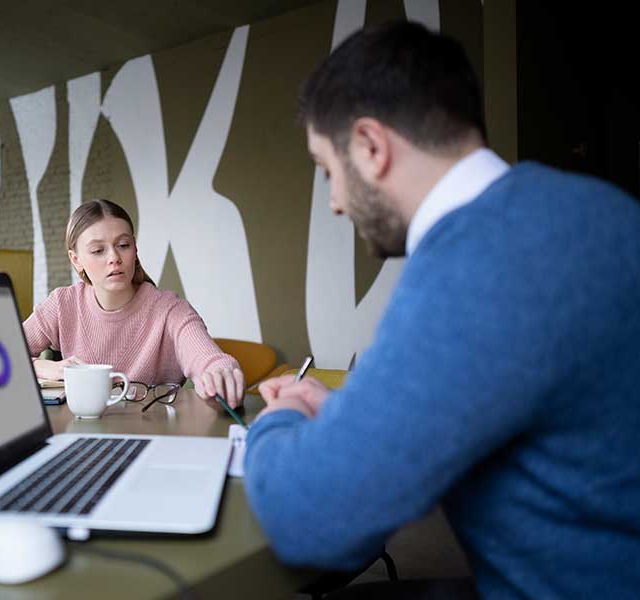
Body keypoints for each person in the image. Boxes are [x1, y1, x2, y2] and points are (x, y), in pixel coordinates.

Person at [245, 20, 640, 599]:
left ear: (371, 146)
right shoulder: (594, 207)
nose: (334, 202)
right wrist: (352, 415)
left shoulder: (479, 261)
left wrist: (277, 421)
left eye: (329, 171)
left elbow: (310, 519)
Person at [22, 198, 245, 407]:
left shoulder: (170, 310)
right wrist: (43, 367)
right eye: (98, 250)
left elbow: (209, 359)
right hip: (80, 429)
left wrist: (221, 372)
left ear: (135, 249)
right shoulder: (62, 304)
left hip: (154, 430)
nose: (114, 258)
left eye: (123, 245)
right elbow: (3, 355)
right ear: (76, 259)